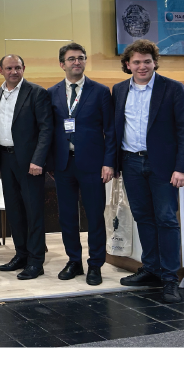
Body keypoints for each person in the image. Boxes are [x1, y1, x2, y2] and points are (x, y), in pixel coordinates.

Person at [112, 39, 184, 303]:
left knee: (166, 220)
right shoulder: (119, 90)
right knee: (143, 218)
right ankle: (151, 269)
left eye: (147, 61)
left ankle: (170, 278)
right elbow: (115, 130)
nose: (142, 66)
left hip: (163, 167)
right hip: (130, 163)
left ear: (155, 62)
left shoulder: (173, 89)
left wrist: (182, 168)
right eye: (136, 62)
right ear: (128, 64)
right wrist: (113, 163)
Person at [47, 43, 115, 286]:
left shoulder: (100, 91)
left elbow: (111, 131)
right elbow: (48, 131)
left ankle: (95, 264)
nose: (77, 62)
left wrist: (109, 163)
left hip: (93, 164)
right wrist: (50, 164)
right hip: (63, 165)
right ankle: (73, 261)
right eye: (71, 59)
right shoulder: (52, 93)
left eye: (81, 58)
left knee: (95, 216)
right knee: (67, 216)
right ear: (62, 64)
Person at [0, 54, 53, 280]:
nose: (14, 72)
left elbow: (46, 129)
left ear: (24, 68)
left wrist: (38, 160)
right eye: (9, 68)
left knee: (33, 211)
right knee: (14, 211)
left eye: (17, 67)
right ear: (1, 70)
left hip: (30, 163)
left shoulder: (36, 92)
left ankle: (36, 261)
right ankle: (21, 254)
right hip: (6, 160)